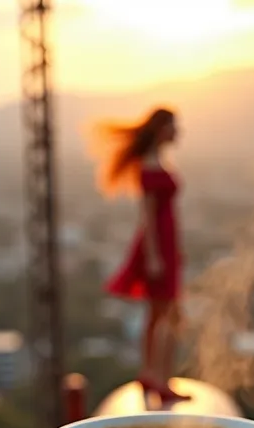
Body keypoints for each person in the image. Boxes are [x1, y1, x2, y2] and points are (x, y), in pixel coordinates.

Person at [90, 107, 190, 402]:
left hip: (165, 245)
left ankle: (150, 375)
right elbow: (146, 215)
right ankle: (162, 379)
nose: (178, 131)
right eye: (174, 126)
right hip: (157, 246)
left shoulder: (158, 161)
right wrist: (155, 256)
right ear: (161, 129)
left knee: (157, 315)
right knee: (170, 315)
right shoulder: (150, 165)